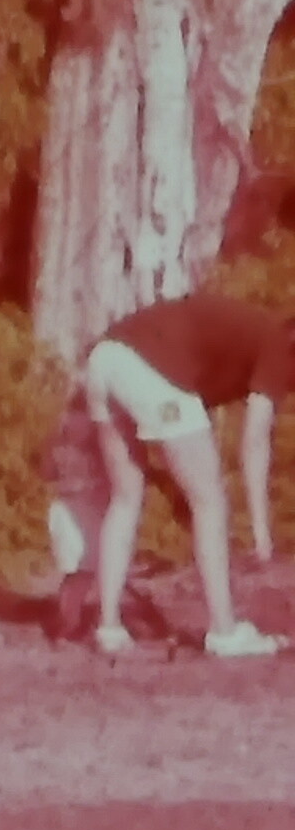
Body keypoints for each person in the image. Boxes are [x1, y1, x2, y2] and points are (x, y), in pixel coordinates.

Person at [48, 282, 284, 660]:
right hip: (151, 369)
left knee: (126, 496)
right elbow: (255, 441)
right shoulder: (280, 347)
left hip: (105, 359)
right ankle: (225, 632)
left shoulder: (260, 333)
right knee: (211, 501)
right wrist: (260, 528)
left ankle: (109, 628)